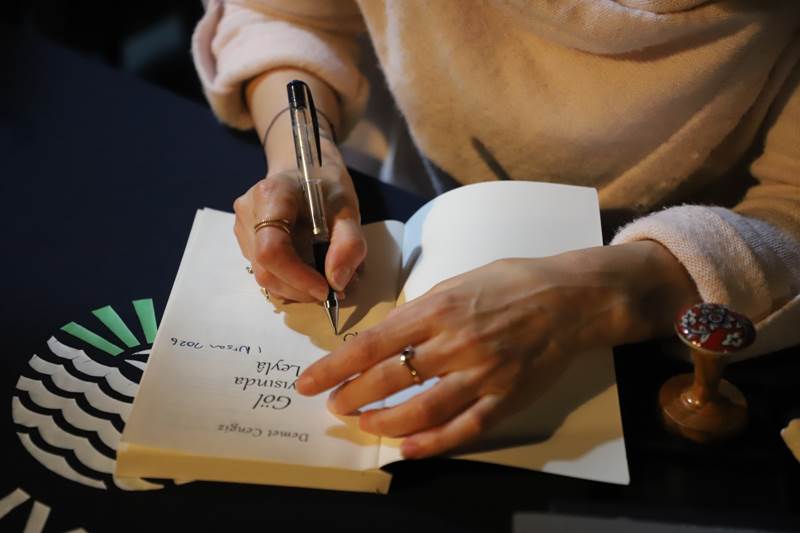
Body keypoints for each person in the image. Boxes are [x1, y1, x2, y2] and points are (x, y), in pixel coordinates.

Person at [192, 0, 800, 459]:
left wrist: (602, 294)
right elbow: (280, 15)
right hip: (409, 204)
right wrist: (305, 158)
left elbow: (791, 205)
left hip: (674, 304)